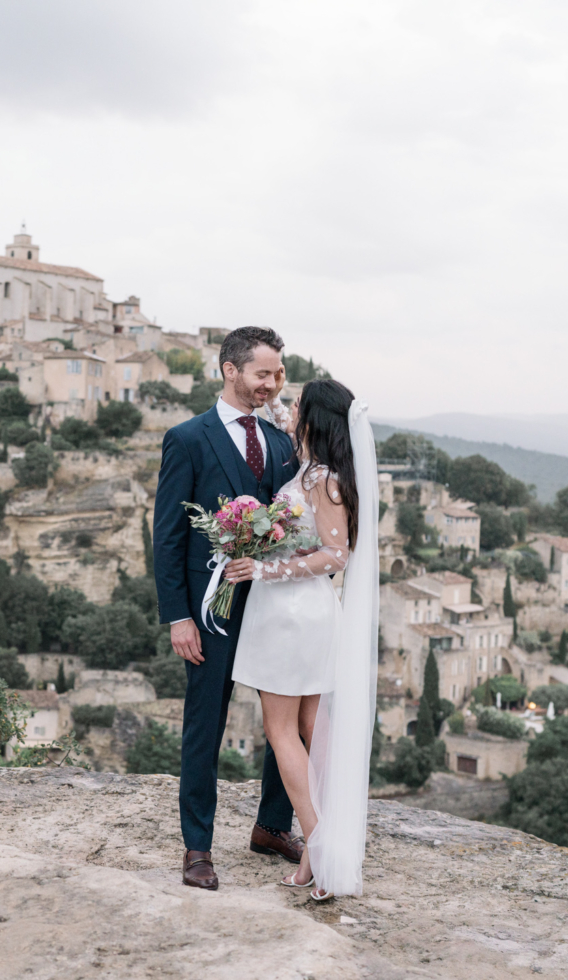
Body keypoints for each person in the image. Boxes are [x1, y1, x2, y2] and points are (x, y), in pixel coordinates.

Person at [152, 326, 302, 891]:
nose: (273, 384)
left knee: (289, 719)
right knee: (205, 724)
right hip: (210, 610)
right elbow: (168, 535)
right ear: (230, 370)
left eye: (279, 374)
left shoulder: (285, 442)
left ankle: (272, 825)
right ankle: (197, 847)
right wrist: (178, 615)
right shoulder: (187, 438)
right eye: (264, 373)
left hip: (276, 602)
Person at [223, 378, 379, 900]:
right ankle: (323, 840)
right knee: (312, 724)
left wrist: (265, 570)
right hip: (302, 613)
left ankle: (318, 839)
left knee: (282, 730)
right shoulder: (316, 469)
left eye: (298, 407)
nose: (289, 411)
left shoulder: (324, 481)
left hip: (293, 615)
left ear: (317, 418)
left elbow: (336, 556)